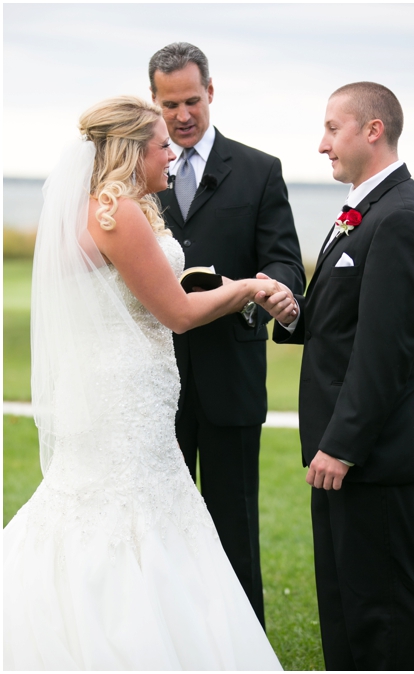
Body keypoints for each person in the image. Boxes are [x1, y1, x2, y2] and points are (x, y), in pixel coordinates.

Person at [3, 96, 288, 669]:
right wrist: (245, 288)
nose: (172, 155)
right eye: (162, 146)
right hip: (127, 395)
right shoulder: (119, 211)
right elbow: (178, 313)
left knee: (94, 504)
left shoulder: (97, 208)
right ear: (133, 151)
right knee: (130, 510)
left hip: (115, 389)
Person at [256, 82, 414, 670]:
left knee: (380, 617)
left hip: (374, 453)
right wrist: (293, 311)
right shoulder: (368, 210)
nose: (321, 144)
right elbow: (347, 320)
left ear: (373, 130)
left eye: (332, 129)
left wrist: (341, 445)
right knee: (345, 609)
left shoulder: (403, 217)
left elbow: (386, 350)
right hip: (347, 451)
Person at [149, 42, 306, 627]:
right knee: (159, 518)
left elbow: (286, 262)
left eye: (192, 100)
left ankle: (241, 645)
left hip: (231, 377)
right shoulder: (140, 169)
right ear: (155, 103)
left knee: (232, 523)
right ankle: (171, 638)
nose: (183, 115)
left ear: (210, 92)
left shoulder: (259, 170)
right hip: (154, 378)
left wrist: (265, 293)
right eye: (170, 105)